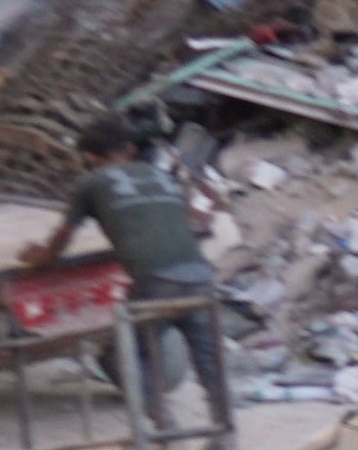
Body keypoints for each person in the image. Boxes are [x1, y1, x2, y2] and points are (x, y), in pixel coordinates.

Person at [30, 110, 223, 432]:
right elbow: (190, 218)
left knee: (130, 355)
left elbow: (62, 239)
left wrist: (38, 257)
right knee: (210, 366)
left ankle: (166, 433)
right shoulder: (158, 174)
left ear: (90, 157)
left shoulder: (90, 183)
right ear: (129, 150)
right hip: (201, 277)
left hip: (156, 282)